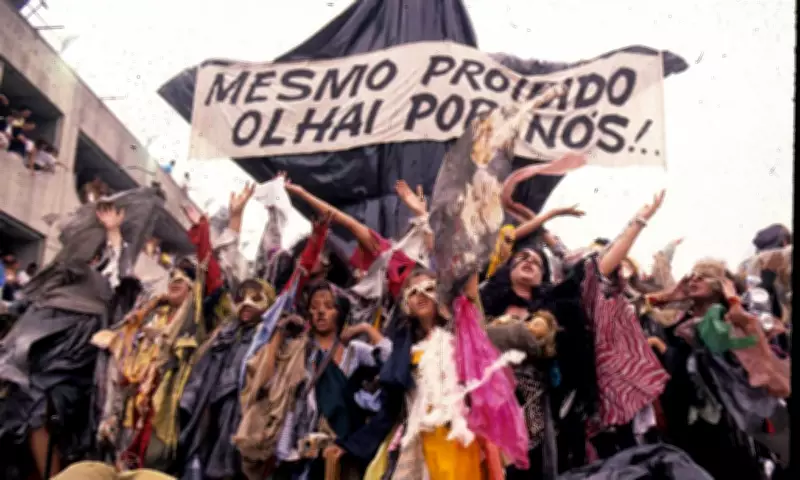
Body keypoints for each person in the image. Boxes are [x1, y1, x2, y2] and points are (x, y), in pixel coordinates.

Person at [0, 203, 128, 479]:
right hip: (35, 360)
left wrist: (113, 231)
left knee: (40, 411)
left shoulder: (98, 283)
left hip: (70, 362)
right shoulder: (54, 280)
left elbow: (116, 272)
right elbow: (22, 310)